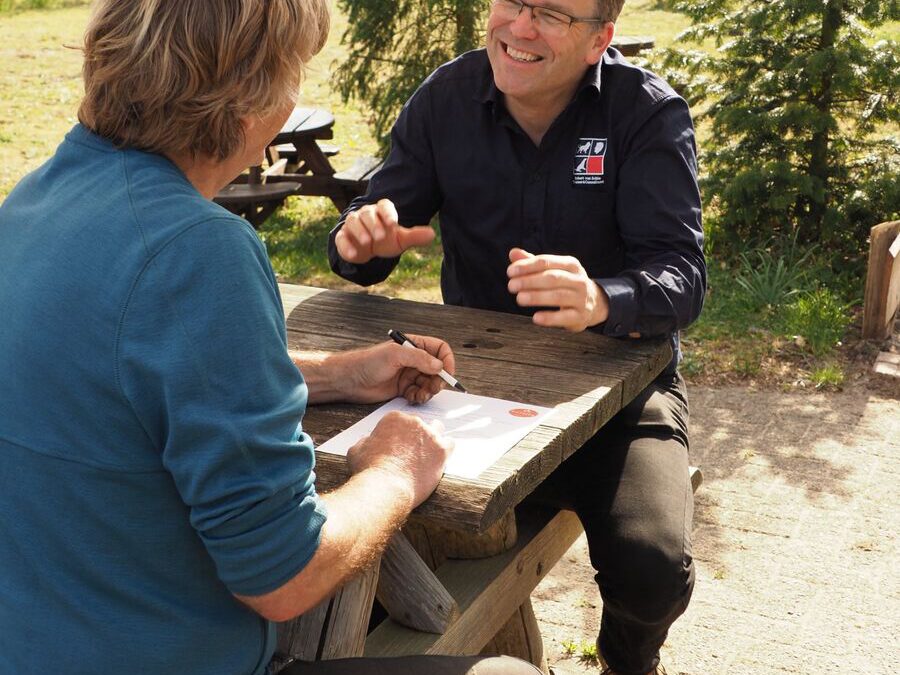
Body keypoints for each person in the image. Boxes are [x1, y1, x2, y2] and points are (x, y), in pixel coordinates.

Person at [0, 2, 541, 675]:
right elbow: (284, 575)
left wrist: (340, 374)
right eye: (296, 77)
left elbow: (125, 372)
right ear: (253, 104)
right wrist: (399, 468)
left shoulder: (33, 200)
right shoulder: (201, 250)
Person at [327, 0, 707, 673]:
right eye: (513, 2)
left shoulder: (645, 112)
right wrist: (361, 239)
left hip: (618, 396)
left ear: (599, 40)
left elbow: (683, 277)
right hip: (468, 392)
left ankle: (626, 660)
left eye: (552, 14)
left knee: (652, 571)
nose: (520, 26)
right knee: (375, 552)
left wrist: (602, 298)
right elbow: (376, 228)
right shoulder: (445, 98)